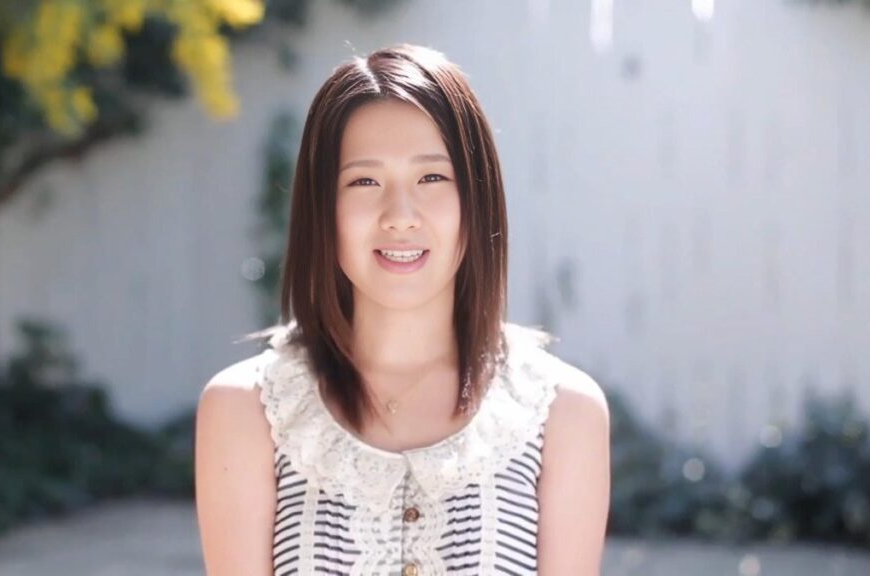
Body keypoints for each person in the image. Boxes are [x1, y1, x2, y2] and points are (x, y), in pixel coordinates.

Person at [195, 43, 610, 575]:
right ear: (322, 208)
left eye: (431, 178)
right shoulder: (246, 409)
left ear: (477, 199)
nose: (400, 215)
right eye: (364, 181)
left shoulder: (563, 413)